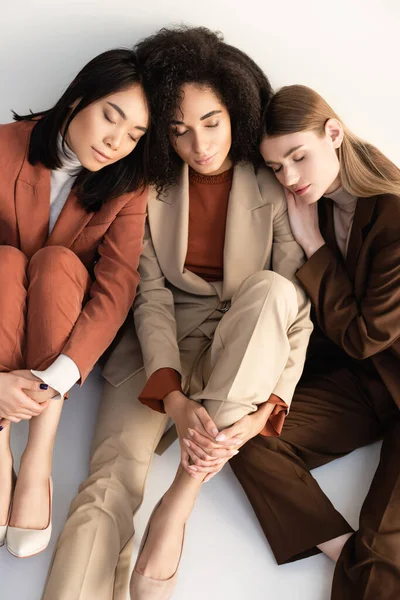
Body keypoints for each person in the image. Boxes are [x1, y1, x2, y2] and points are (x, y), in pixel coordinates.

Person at [42, 27, 311, 600]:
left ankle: (179, 503)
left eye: (211, 121)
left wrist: (269, 404)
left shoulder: (274, 182)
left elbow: (292, 306)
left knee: (270, 289)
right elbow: (149, 295)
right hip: (154, 343)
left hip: (246, 341)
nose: (199, 144)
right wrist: (173, 397)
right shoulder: (146, 185)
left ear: (237, 107)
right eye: (179, 130)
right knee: (107, 486)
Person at [230, 84, 400, 600]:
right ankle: (353, 556)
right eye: (277, 167)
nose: (290, 178)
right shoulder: (319, 205)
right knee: (248, 434)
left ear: (334, 134)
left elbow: (367, 335)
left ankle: (367, 564)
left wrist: (314, 246)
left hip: (381, 369)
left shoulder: (393, 214)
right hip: (363, 386)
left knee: (382, 562)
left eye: (298, 157)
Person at [0, 48, 150, 559]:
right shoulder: (3, 146)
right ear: (78, 97)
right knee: (3, 262)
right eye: (112, 116)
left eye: (135, 135)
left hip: (60, 328)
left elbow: (116, 286)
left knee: (60, 263)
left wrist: (57, 378)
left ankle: (38, 456)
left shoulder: (129, 185)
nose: (116, 141)